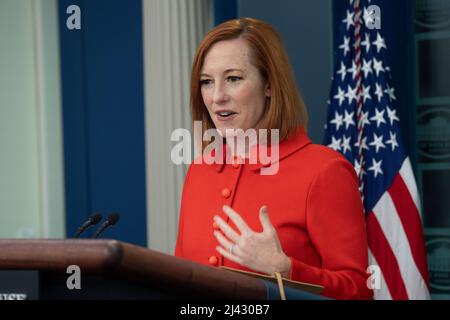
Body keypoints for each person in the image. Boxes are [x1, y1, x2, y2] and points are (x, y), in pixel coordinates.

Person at [174, 17, 373, 300]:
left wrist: (285, 269)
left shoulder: (324, 170)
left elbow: (359, 292)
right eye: (206, 82)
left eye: (233, 78)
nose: (217, 96)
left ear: (269, 85)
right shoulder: (200, 169)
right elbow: (179, 276)